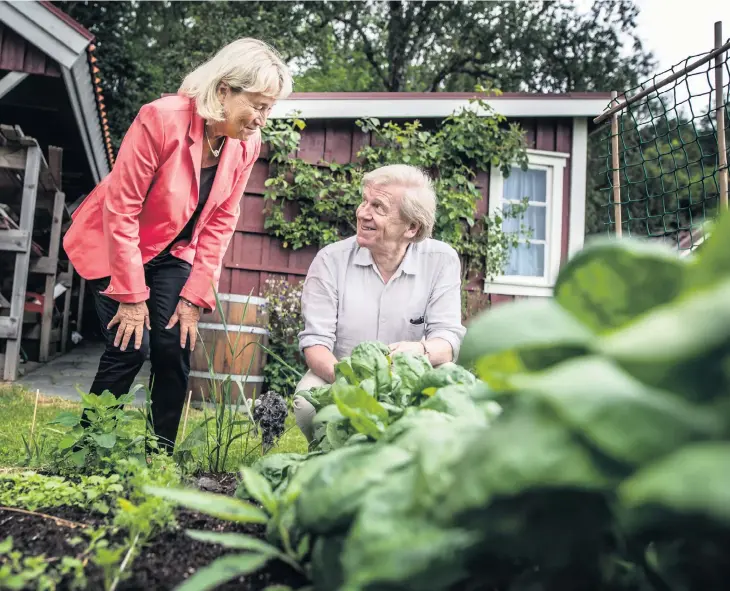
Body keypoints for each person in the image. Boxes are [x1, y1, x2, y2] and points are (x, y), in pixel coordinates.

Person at [63, 38, 292, 451]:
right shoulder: (162, 118)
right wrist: (131, 297)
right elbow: (122, 209)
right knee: (130, 345)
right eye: (257, 105)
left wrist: (193, 294)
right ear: (224, 90)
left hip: (173, 253)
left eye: (268, 109)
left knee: (174, 346)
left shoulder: (245, 145)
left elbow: (222, 220)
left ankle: (160, 452)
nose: (261, 118)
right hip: (114, 243)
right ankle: (90, 451)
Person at [293, 164, 467, 441]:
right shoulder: (330, 260)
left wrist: (419, 350)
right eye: (364, 201)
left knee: (455, 390)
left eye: (378, 207)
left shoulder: (441, 260)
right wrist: (354, 383)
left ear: (412, 227)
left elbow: (446, 341)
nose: (362, 213)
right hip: (342, 374)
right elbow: (316, 345)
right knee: (306, 403)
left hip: (412, 377)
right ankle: (329, 465)